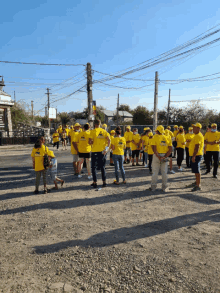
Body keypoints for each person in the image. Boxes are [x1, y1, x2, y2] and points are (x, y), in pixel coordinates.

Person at [149, 125, 172, 192]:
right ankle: (164, 187)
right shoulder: (167, 137)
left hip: (157, 156)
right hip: (165, 155)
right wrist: (165, 156)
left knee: (155, 172)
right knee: (164, 172)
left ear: (157, 131)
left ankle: (153, 187)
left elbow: (154, 148)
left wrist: (158, 156)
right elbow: (170, 149)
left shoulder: (155, 137)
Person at [89, 119, 110, 188]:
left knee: (93, 168)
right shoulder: (104, 131)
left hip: (94, 151)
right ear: (100, 124)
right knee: (102, 167)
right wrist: (106, 150)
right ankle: (104, 182)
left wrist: (90, 141)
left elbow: (90, 142)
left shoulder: (92, 131)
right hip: (102, 152)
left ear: (94, 124)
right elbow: (109, 140)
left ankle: (95, 182)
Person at [188, 123, 204, 191]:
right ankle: (196, 182)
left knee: (197, 170)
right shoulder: (196, 135)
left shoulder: (198, 136)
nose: (193, 129)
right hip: (195, 155)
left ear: (198, 128)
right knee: (195, 170)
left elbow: (197, 147)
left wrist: (194, 156)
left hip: (197, 155)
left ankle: (198, 185)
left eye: (194, 127)